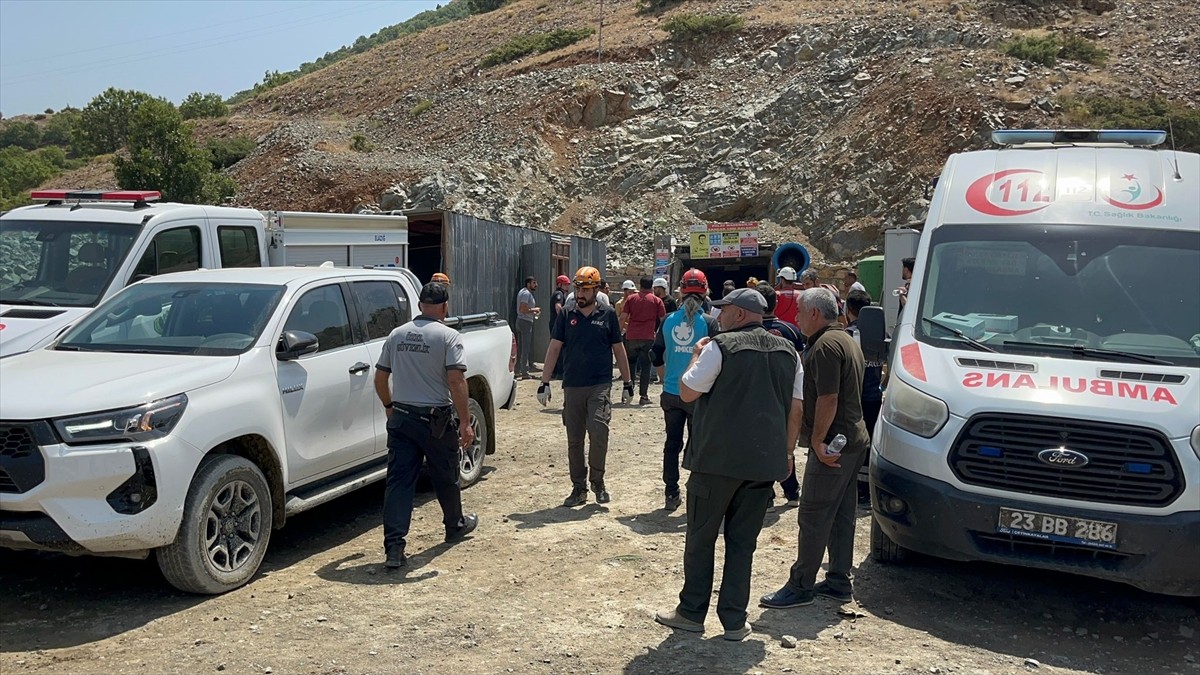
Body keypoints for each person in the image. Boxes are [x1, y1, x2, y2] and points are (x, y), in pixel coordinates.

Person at [654, 288, 802, 642]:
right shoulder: (790, 352)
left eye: (723, 311)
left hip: (716, 462)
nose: (718, 316)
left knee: (701, 537)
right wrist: (787, 453)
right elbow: (796, 408)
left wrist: (695, 355)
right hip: (762, 464)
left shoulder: (720, 347)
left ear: (738, 314)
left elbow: (687, 392)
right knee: (742, 542)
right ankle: (734, 620)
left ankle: (691, 612)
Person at [760, 287, 870, 608]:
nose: (794, 318)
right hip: (852, 441)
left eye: (798, 312)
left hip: (834, 446)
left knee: (813, 514)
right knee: (841, 515)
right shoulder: (847, 339)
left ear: (814, 314)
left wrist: (819, 441)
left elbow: (829, 398)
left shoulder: (825, 346)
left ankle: (801, 585)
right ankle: (837, 580)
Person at [373, 282, 479, 570]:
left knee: (398, 483)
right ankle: (454, 525)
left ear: (420, 305)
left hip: (403, 418)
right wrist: (466, 423)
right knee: (445, 475)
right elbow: (456, 381)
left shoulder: (397, 335)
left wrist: (389, 406)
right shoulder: (448, 337)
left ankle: (394, 548)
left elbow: (380, 378)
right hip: (435, 420)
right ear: (445, 307)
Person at [538, 266, 634, 507]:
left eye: (585, 289)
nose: (580, 294)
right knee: (575, 439)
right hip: (573, 385)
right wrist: (544, 382)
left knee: (599, 430)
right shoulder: (566, 315)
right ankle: (578, 487)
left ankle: (598, 481)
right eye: (577, 288)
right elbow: (554, 347)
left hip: (599, 384)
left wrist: (627, 382)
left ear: (596, 290)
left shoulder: (608, 314)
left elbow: (619, 349)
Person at [651, 269, 718, 510]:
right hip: (698, 394)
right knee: (698, 444)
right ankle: (697, 493)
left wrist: (665, 379)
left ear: (680, 291)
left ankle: (671, 492)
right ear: (705, 291)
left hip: (671, 393)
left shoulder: (667, 320)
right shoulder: (709, 323)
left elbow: (655, 354)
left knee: (672, 443)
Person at [756, 283, 805, 509]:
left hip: (759, 397)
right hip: (787, 396)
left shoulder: (749, 333)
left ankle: (765, 493)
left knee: (760, 445)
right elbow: (800, 363)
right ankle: (791, 490)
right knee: (786, 445)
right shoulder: (791, 331)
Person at [844, 289, 883, 502]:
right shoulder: (880, 333)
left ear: (848, 310)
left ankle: (856, 490)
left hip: (854, 400)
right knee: (870, 444)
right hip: (874, 398)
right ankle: (867, 492)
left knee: (854, 444)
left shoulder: (848, 335)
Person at [622, 277, 666, 405]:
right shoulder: (656, 300)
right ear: (652, 286)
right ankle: (644, 396)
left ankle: (627, 393)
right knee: (646, 367)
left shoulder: (631, 299)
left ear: (639, 286)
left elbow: (623, 317)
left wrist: (618, 332)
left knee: (630, 365)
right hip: (648, 337)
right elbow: (663, 319)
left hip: (631, 336)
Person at [514, 276, 541, 379]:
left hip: (521, 321)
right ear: (528, 284)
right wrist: (534, 310)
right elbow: (523, 309)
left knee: (520, 348)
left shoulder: (523, 292)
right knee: (525, 348)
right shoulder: (526, 294)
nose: (536, 285)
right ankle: (524, 372)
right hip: (525, 322)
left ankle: (517, 371)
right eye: (534, 283)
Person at [550, 274, 571, 379]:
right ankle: (559, 372)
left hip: (554, 324)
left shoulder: (559, 293)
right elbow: (558, 307)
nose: (567, 287)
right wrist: (564, 319)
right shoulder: (559, 294)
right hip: (557, 324)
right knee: (560, 348)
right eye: (565, 285)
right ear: (559, 284)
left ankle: (554, 371)